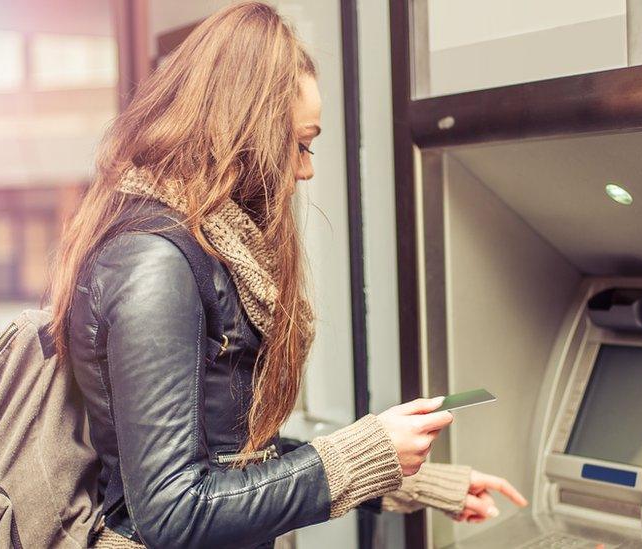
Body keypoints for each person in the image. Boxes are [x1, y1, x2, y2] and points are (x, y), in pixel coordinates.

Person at [46, 2, 526, 547]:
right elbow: (174, 511)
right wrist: (365, 452)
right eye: (299, 144)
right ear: (243, 133)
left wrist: (407, 478)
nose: (306, 168)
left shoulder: (199, 248)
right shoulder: (155, 261)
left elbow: (233, 454)